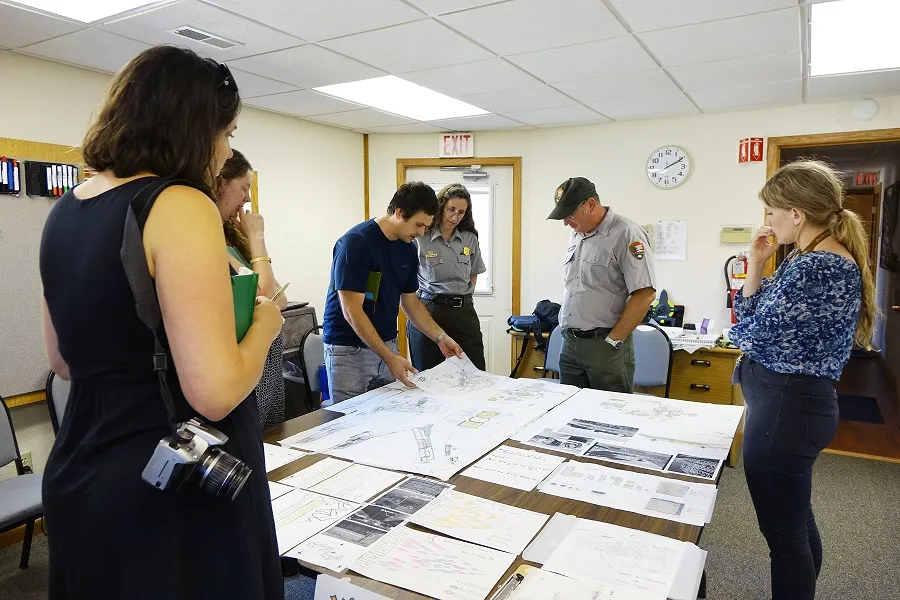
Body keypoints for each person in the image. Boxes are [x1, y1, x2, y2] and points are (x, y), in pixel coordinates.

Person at [39, 46, 283, 599]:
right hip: (172, 478)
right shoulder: (178, 203)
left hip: (85, 463)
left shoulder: (66, 209)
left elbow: (63, 361)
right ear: (195, 127)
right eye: (227, 132)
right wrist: (267, 322)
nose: (225, 151)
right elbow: (215, 391)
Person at [729, 160, 873, 600]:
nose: (766, 222)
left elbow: (747, 331)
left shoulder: (818, 268)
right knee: (794, 523)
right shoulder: (807, 259)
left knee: (784, 538)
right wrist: (756, 262)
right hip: (786, 408)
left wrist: (737, 331)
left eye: (772, 212)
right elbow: (753, 317)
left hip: (786, 413)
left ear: (797, 213)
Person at [323, 182, 463, 403]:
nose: (421, 233)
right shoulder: (356, 243)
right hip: (349, 351)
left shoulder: (408, 247)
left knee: (390, 419)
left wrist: (440, 337)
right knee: (351, 425)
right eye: (418, 225)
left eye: (426, 227)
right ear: (399, 212)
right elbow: (352, 310)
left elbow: (410, 302)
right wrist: (389, 357)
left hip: (387, 345)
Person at [547, 177, 657, 392]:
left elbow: (644, 294)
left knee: (609, 417)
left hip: (604, 345)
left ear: (589, 205)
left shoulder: (627, 233)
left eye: (569, 215)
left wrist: (614, 341)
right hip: (570, 342)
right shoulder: (577, 234)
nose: (566, 223)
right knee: (569, 415)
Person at [216, 149, 287, 428]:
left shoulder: (233, 238)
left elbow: (280, 298)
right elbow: (267, 296)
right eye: (244, 187)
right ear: (221, 183)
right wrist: (257, 239)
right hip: (246, 363)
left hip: (267, 361)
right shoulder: (213, 242)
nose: (247, 198)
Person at [408, 183, 487, 371]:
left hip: (463, 313)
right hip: (430, 311)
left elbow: (473, 274)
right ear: (441, 206)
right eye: (451, 209)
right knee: (429, 375)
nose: (455, 216)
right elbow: (408, 279)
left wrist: (462, 297)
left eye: (461, 212)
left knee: (475, 373)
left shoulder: (470, 239)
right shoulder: (421, 237)